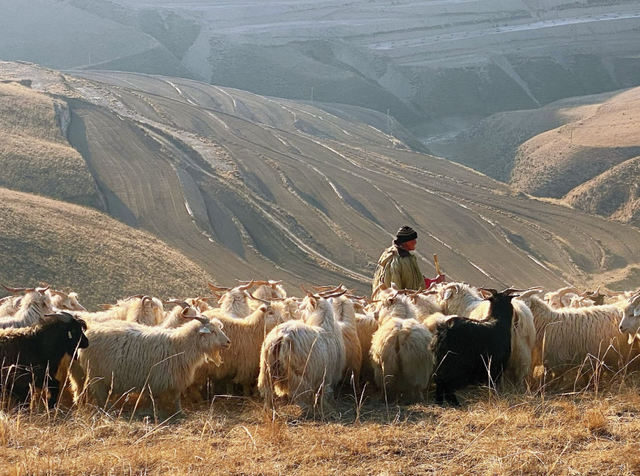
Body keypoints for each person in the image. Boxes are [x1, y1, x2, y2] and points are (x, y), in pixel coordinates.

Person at [371, 225, 445, 299]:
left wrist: (434, 281)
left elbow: (415, 280)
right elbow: (406, 286)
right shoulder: (400, 260)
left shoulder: (391, 255)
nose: (415, 242)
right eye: (413, 240)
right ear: (406, 241)